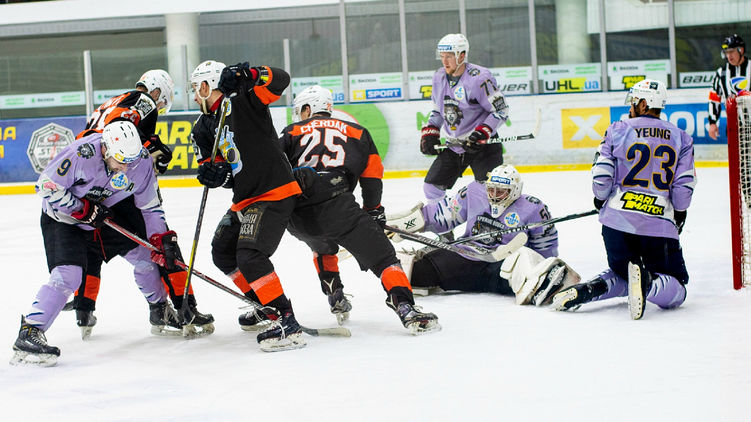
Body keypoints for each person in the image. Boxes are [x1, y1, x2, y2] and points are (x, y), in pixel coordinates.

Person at [10, 121, 188, 367]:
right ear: (105, 149)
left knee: (146, 257)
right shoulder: (81, 154)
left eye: (131, 161)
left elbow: (150, 207)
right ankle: (30, 332)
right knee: (69, 276)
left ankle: (160, 310)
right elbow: (46, 186)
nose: (127, 168)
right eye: (121, 161)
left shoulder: (141, 161)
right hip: (63, 219)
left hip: (101, 216)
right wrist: (80, 208)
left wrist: (160, 239)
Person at [276, 85, 440, 333]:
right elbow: (372, 176)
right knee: (384, 258)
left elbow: (274, 170)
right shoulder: (357, 131)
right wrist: (373, 210)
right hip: (339, 209)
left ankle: (335, 295)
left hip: (297, 217)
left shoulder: (290, 131)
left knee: (322, 245)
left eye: (301, 110)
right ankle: (405, 306)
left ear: (308, 108)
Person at [65, 69, 214, 338]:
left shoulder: (111, 102)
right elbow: (122, 135)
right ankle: (184, 308)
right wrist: (153, 147)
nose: (160, 106)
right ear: (156, 91)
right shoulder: (143, 100)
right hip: (117, 183)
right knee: (162, 243)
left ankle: (84, 309)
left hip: (88, 185)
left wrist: (152, 147)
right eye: (162, 101)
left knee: (92, 247)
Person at [552, 79, 696, 320]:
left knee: (623, 273)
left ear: (643, 103)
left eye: (633, 102)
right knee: (677, 287)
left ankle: (591, 289)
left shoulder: (617, 129)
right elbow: (683, 187)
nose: (630, 107)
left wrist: (601, 200)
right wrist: (680, 212)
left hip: (617, 225)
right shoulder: (681, 137)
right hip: (658, 226)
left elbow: (601, 175)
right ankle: (649, 284)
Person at [194, 62, 307, 352]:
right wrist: (214, 175)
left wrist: (251, 73)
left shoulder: (244, 99)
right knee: (222, 252)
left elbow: (281, 79)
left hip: (273, 190)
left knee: (250, 254)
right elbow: (220, 171)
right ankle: (263, 304)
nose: (194, 96)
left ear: (206, 86)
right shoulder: (202, 127)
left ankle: (285, 319)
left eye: (196, 89)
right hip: (244, 198)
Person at [387, 164, 578, 305]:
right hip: (466, 256)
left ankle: (537, 282)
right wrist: (406, 226)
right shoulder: (474, 192)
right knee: (411, 273)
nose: (494, 195)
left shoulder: (534, 207)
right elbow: (444, 215)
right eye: (491, 189)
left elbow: (546, 246)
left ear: (515, 191)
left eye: (501, 191)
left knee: (522, 265)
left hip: (502, 267)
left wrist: (542, 267)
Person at [420, 33, 509, 238]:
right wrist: (430, 131)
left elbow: (501, 110)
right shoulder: (438, 77)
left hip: (483, 146)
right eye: (442, 56)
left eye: (449, 56)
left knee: (488, 191)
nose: (445, 61)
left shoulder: (480, 78)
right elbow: (438, 111)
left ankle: (483, 234)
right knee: (432, 187)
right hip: (455, 145)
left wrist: (482, 132)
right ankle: (444, 232)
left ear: (461, 55)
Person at [708, 34, 749, 141]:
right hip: (733, 127)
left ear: (741, 50)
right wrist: (713, 122)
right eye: (726, 52)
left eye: (732, 52)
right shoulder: (721, 73)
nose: (729, 56)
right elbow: (714, 98)